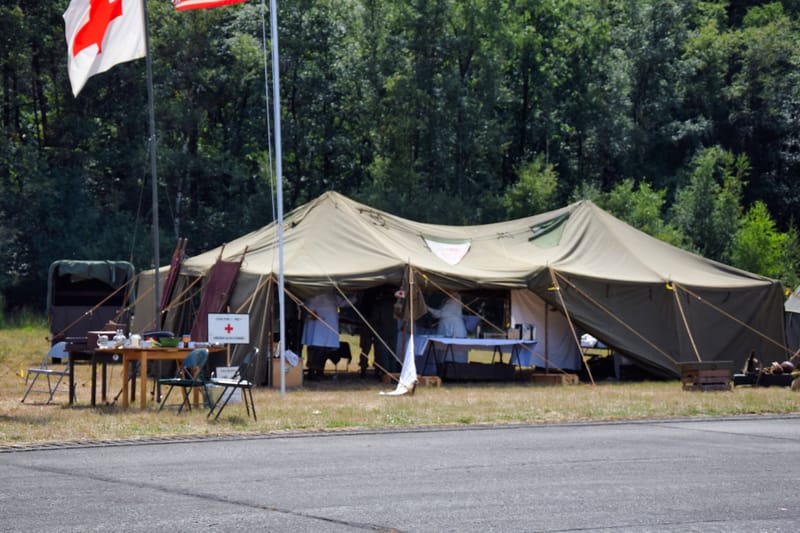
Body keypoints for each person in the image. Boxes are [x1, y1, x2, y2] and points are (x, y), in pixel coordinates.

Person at [302, 290, 349, 379]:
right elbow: (308, 307)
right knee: (315, 350)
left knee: (325, 351)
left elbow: (343, 303)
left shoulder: (332, 294)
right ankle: (312, 372)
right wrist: (311, 313)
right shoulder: (313, 293)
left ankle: (320, 372)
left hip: (328, 328)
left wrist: (356, 297)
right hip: (316, 329)